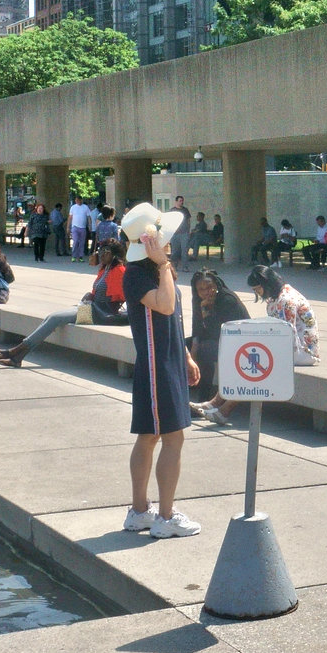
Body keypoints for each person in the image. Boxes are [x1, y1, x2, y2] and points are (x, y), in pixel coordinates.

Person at [118, 203, 201, 539]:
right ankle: (164, 517)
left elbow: (170, 319)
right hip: (155, 366)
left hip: (167, 360)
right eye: (163, 239)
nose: (169, 243)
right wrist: (163, 264)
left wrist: (185, 355)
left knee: (151, 436)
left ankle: (140, 512)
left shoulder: (152, 271)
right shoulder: (139, 274)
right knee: (172, 437)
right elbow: (164, 305)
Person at [0, 240, 127, 366]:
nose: (101, 254)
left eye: (106, 251)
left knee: (55, 318)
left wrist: (92, 300)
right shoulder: (104, 269)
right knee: (51, 317)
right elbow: (97, 291)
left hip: (101, 313)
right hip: (92, 308)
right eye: (101, 250)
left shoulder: (119, 271)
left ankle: (17, 352)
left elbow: (118, 298)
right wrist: (90, 296)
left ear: (114, 254)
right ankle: (17, 355)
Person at [187, 270, 251, 426]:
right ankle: (182, 394)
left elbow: (220, 331)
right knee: (183, 347)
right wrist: (192, 351)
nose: (206, 292)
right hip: (217, 340)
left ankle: (204, 399)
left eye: (209, 287)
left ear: (216, 284)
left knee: (204, 351)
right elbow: (197, 328)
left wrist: (206, 311)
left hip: (238, 343)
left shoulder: (227, 299)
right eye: (201, 289)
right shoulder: (198, 300)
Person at [170, 194, 192, 271]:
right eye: (180, 201)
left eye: (182, 201)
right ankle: (174, 266)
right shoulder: (172, 210)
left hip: (184, 233)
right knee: (175, 251)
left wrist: (188, 231)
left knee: (184, 251)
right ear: (176, 201)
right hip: (175, 234)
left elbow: (188, 221)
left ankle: (185, 267)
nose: (181, 202)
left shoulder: (185, 210)